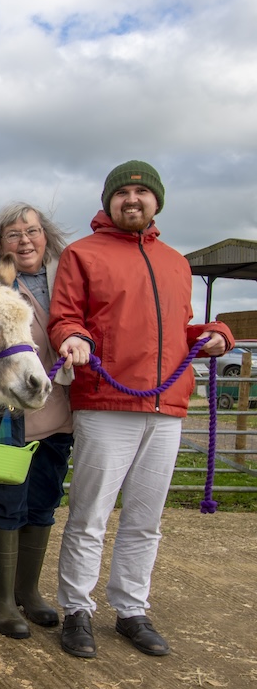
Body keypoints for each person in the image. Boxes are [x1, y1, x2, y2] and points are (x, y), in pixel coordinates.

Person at [49, 161, 233, 659]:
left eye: (141, 192)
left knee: (145, 519)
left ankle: (131, 608)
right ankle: (77, 611)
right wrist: (74, 339)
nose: (132, 199)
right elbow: (65, 316)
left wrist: (215, 336)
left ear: (157, 201)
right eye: (123, 192)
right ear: (108, 201)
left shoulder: (176, 262)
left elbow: (177, 333)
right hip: (108, 401)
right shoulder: (82, 255)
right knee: (90, 515)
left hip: (166, 406)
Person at [0, 202, 75, 639]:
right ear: (0, 245)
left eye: (33, 231)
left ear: (46, 235)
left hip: (57, 407)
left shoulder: (65, 278)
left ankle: (28, 591)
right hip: (8, 409)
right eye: (14, 235)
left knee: (45, 497)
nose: (25, 241)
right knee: (6, 499)